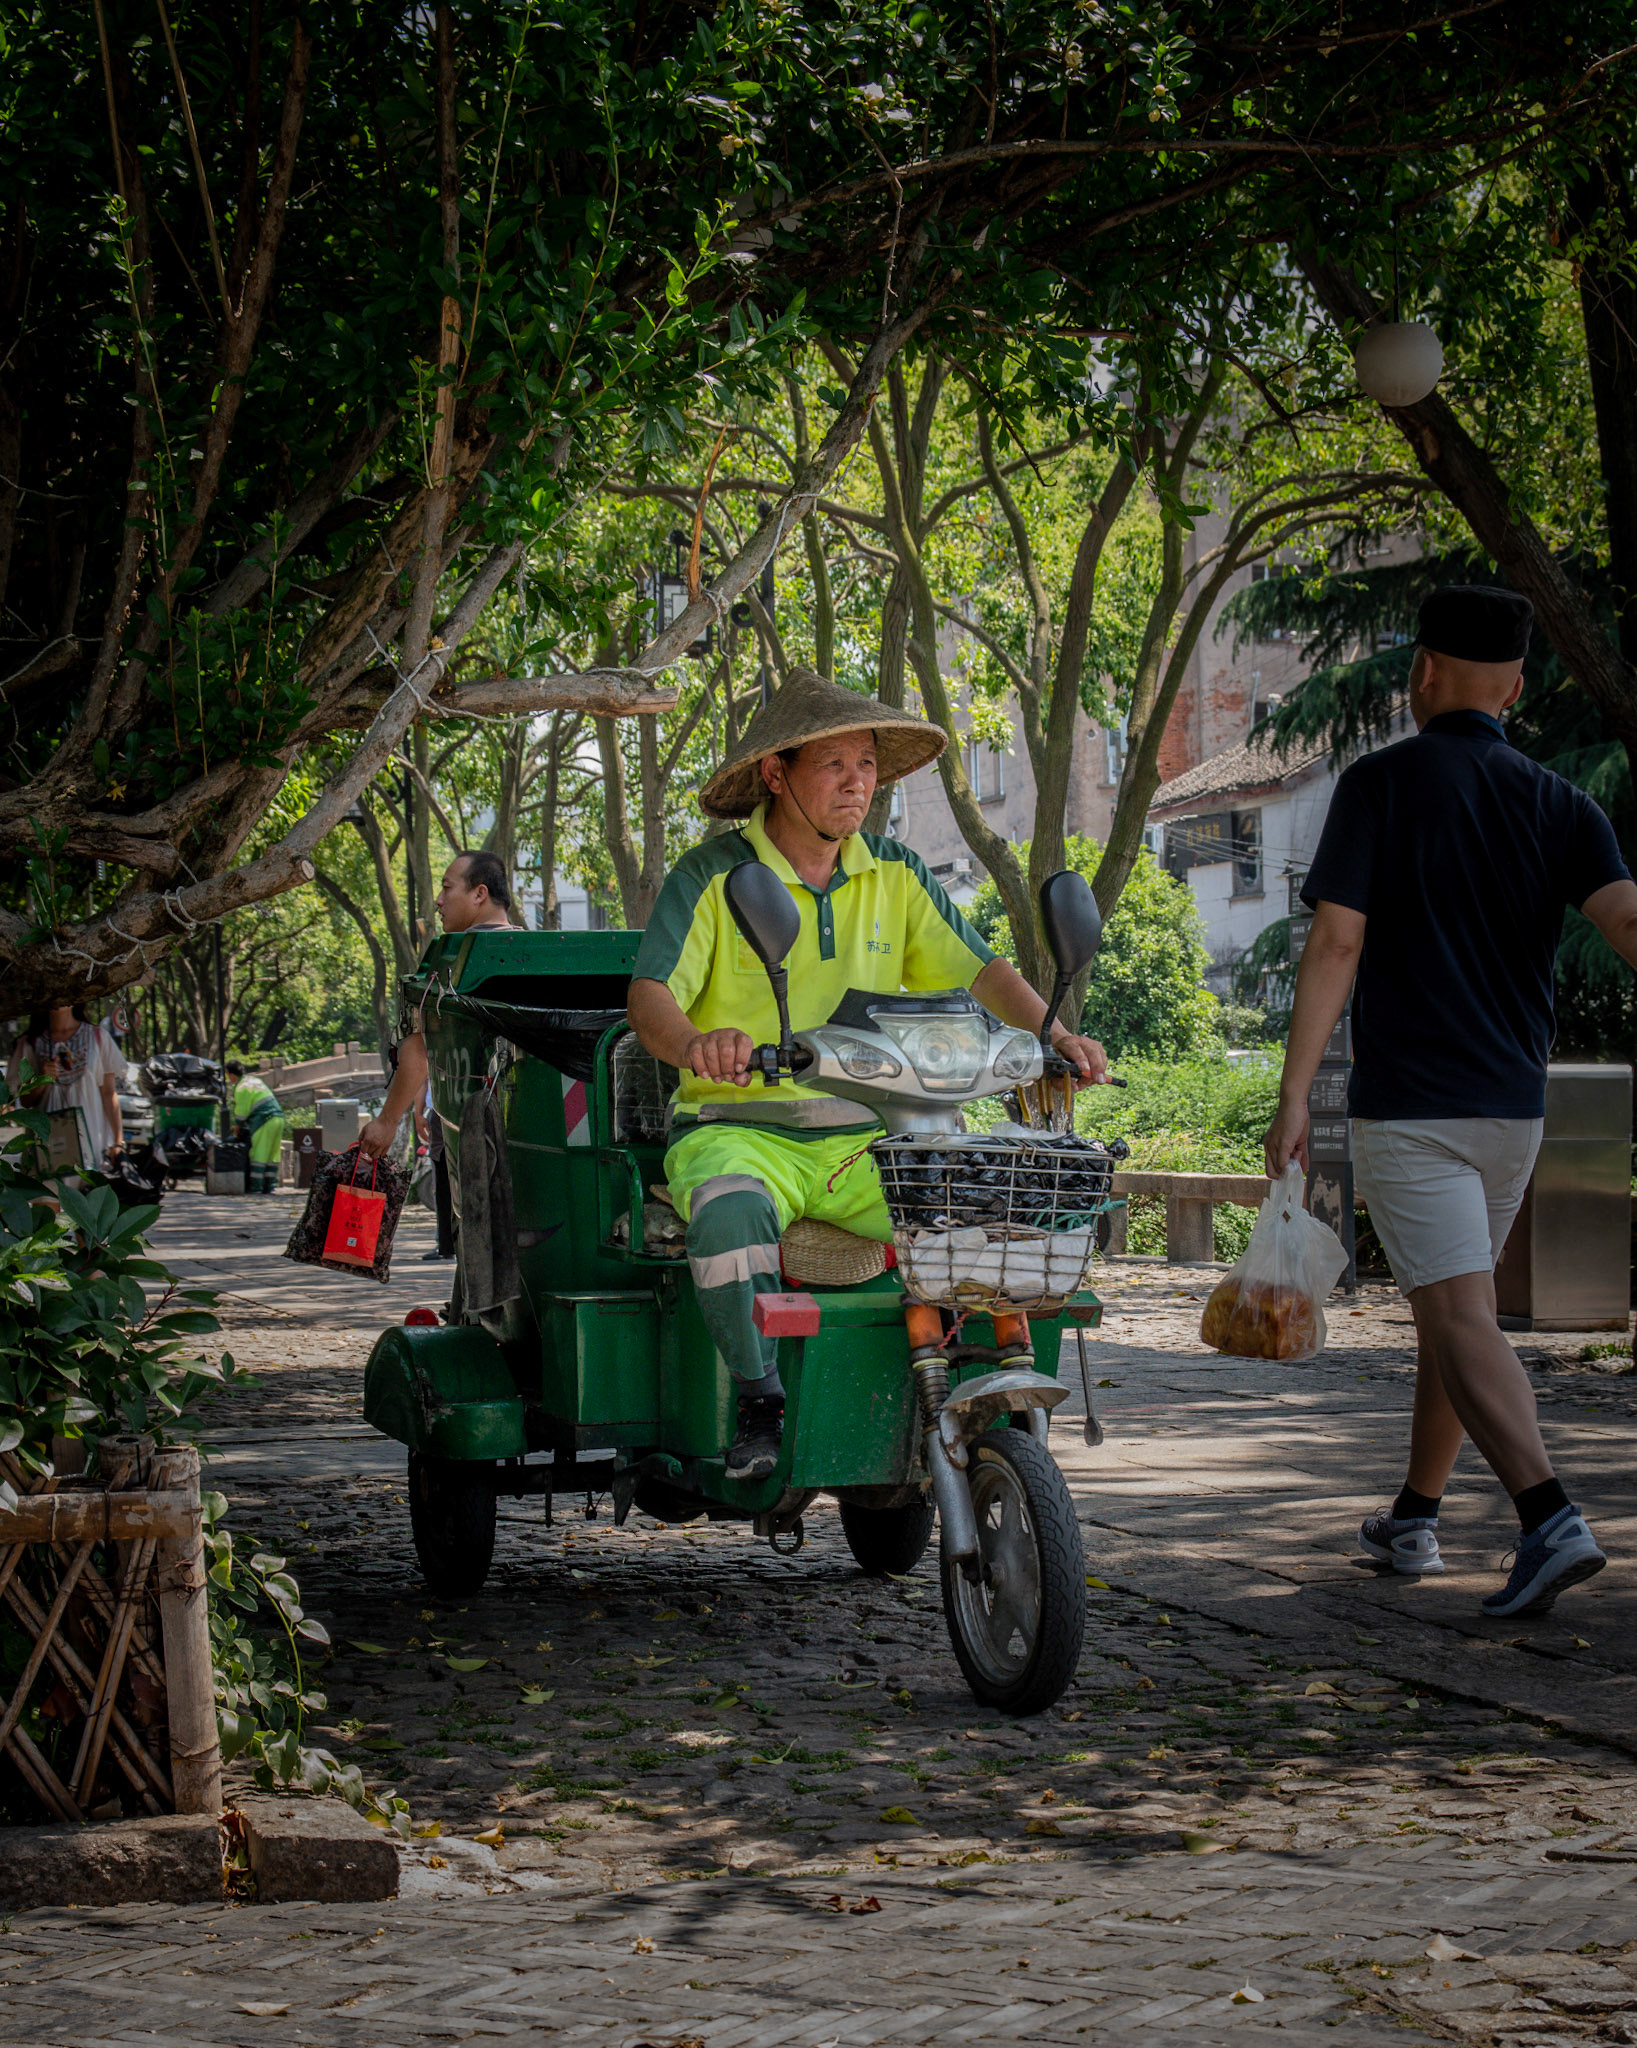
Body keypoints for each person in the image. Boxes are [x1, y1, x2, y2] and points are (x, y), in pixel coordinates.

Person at [627, 665, 1111, 1482]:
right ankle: (758, 1395)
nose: (857, 785)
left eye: (867, 766)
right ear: (776, 774)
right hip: (742, 1131)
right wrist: (694, 1044)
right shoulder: (709, 878)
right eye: (834, 766)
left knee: (988, 1206)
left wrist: (1056, 1033)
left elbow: (979, 969)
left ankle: (999, 1382)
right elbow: (649, 997)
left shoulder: (895, 871)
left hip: (872, 1136)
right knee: (726, 1215)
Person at [1264, 585, 1637, 1619]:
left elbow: (1336, 942)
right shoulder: (1563, 804)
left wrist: (1293, 1094)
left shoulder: (1378, 784)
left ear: (1420, 672)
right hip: (1513, 1110)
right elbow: (1624, 922)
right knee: (1448, 1309)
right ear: (1514, 686)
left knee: (1458, 1313)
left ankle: (1547, 1514)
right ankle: (1414, 1512)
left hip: (1411, 1107)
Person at [359, 850, 515, 1163]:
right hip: (529, 1124)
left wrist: (386, 1122)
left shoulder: (445, 962)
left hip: (460, 1128)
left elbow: (419, 1048)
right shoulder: (537, 958)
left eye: (447, 888)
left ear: (479, 894)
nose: (439, 901)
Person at [6, 1000, 125, 1169]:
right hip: (48, 1147)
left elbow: (109, 1094)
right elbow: (25, 1101)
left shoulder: (98, 1037)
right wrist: (42, 1079)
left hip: (91, 1143)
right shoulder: (30, 1043)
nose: (60, 999)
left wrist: (118, 1142)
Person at [226, 1061, 285, 1194]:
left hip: (264, 1120)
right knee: (273, 1154)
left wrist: (236, 1130)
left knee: (259, 1153)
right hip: (278, 1118)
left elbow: (241, 1114)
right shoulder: (254, 1081)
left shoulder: (241, 1088)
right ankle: (270, 1185)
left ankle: (256, 1186)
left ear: (231, 1074)